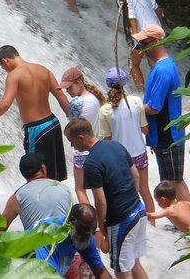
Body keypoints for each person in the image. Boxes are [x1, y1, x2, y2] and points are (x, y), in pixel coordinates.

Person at [65, 118, 148, 279]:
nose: (72, 146)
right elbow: (136, 176)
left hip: (121, 220)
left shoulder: (91, 163)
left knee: (122, 270)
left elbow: (100, 201)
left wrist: (101, 228)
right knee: (135, 264)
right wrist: (132, 200)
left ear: (80, 138)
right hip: (139, 211)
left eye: (71, 141)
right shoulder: (116, 145)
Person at [0, 45, 70, 181]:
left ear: (5, 61)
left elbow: (5, 104)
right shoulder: (43, 70)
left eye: (3, 68)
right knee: (55, 175)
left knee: (36, 176)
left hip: (37, 130)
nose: (5, 71)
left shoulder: (14, 76)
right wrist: (73, 119)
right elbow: (61, 96)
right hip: (53, 124)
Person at [134, 24, 190, 203]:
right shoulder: (163, 65)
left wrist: (131, 106)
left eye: (143, 43)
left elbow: (154, 108)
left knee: (173, 183)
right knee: (172, 181)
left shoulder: (162, 71)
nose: (140, 48)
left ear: (156, 42)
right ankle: (186, 223)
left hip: (168, 134)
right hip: (167, 133)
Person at [99, 67, 155, 220]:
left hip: (120, 158)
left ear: (108, 85)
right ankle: (153, 224)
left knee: (124, 193)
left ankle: (130, 224)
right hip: (139, 153)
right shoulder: (136, 102)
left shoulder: (105, 110)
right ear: (124, 82)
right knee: (144, 190)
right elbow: (145, 129)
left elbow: (107, 140)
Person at [107, 0, 164, 92]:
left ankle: (143, 93)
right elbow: (158, 9)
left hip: (144, 33)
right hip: (157, 30)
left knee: (133, 65)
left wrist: (135, 36)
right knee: (155, 60)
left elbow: (130, 15)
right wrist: (159, 26)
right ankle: (162, 88)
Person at [147, 181, 190, 278]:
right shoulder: (185, 203)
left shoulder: (170, 210)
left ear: (163, 200)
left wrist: (140, 212)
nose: (157, 203)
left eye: (157, 201)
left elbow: (153, 215)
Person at [60, 67, 106, 204]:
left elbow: (72, 126)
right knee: (100, 189)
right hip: (98, 149)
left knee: (80, 190)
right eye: (66, 89)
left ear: (80, 82)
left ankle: (89, 221)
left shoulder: (76, 103)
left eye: (70, 87)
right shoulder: (95, 97)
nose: (68, 91)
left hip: (82, 154)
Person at [32, 204, 111, 278]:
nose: (89, 234)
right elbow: (47, 276)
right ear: (71, 220)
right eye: (85, 228)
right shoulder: (47, 234)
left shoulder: (85, 236)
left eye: (92, 231)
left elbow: (101, 272)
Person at [1, 153, 72, 231]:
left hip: (37, 241)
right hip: (64, 240)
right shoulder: (64, 188)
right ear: (43, 168)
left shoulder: (17, 197)